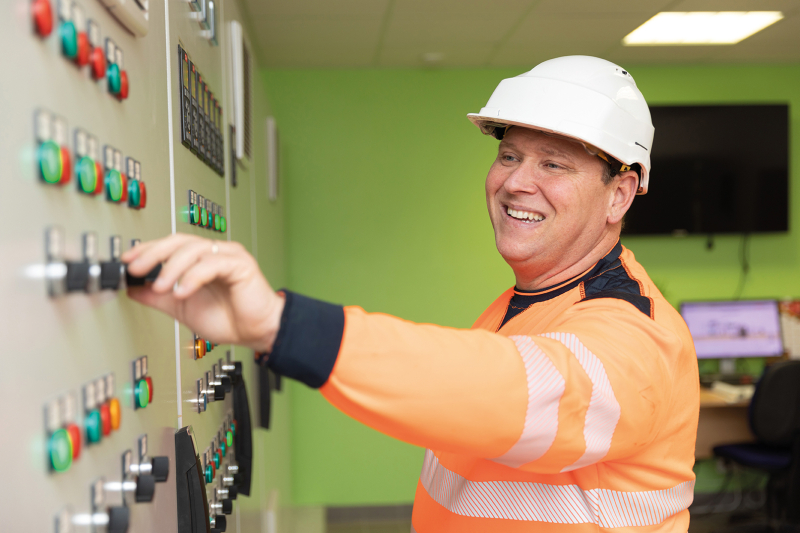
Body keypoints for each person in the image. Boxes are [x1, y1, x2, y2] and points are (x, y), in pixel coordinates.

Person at [123, 56, 699, 532]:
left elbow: (525, 394)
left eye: (554, 164)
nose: (517, 181)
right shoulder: (523, 303)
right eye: (509, 156)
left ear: (620, 195)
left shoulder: (639, 335)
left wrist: (282, 324)